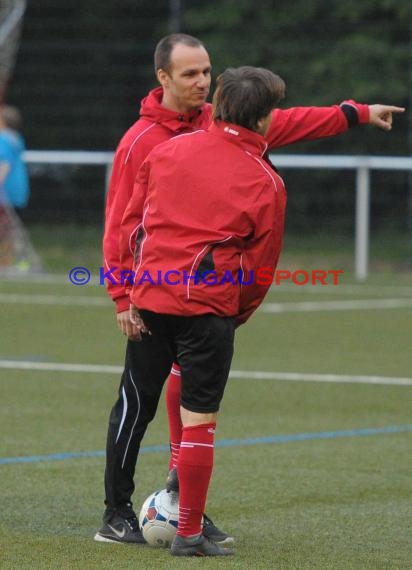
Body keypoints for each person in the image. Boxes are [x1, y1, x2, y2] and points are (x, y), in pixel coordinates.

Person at [98, 31, 402, 546]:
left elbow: (284, 120)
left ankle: (178, 499)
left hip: (186, 298)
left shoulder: (218, 126)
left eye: (206, 72)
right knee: (138, 401)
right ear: (163, 78)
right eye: (190, 73)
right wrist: (122, 296)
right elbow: (121, 224)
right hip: (158, 295)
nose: (201, 81)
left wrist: (355, 112)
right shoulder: (143, 142)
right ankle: (116, 510)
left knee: (182, 391)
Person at [0, 104, 31, 269]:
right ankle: (15, 261)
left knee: (4, 230)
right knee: (11, 230)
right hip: (19, 189)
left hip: (5, 190)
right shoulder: (17, 138)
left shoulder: (3, 139)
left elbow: (4, 164)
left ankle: (5, 262)